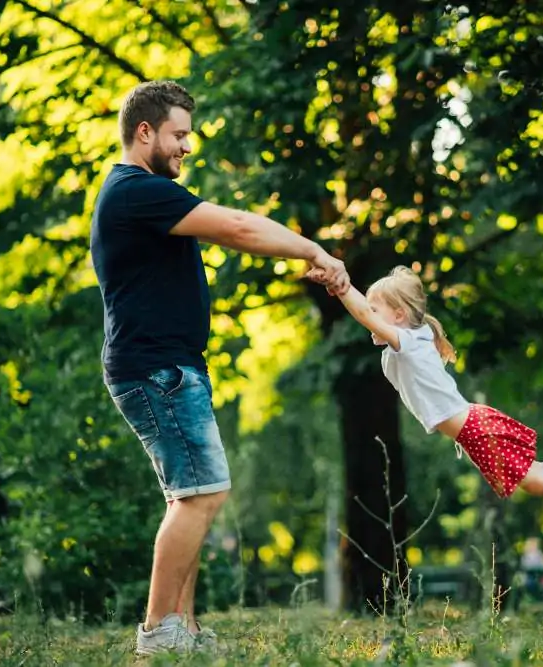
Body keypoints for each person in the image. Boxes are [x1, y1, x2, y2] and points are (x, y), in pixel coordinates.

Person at [90, 79, 350, 656]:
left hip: (164, 365)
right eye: (179, 134)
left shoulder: (138, 194)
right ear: (144, 132)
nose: (186, 146)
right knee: (201, 495)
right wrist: (314, 251)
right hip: (158, 369)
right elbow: (237, 228)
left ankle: (183, 628)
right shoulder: (137, 191)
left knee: (191, 496)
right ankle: (160, 632)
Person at [307, 266, 543, 562]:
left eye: (377, 310)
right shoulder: (408, 340)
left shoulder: (406, 340)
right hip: (473, 424)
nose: (369, 317)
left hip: (475, 429)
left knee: (535, 481)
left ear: (398, 315)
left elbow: (364, 313)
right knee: (536, 474)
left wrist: (340, 285)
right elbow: (368, 311)